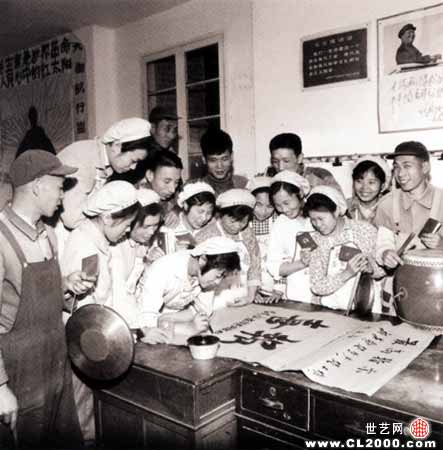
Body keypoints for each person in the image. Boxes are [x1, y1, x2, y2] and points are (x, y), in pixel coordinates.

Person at [0, 150, 95, 448]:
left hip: (55, 364)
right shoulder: (1, 239)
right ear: (37, 185)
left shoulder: (49, 235)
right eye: (59, 187)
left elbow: (35, 296)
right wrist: (0, 388)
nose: (62, 197)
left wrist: (66, 286)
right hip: (19, 371)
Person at [61, 180, 140, 443]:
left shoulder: (97, 240)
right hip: (83, 342)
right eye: (126, 224)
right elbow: (83, 310)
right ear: (107, 218)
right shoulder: (86, 246)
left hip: (93, 338)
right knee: (84, 416)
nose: (128, 230)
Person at [374, 142, 443, 312]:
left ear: (425, 167)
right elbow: (383, 241)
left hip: (438, 293)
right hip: (400, 292)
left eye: (407, 166)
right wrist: (385, 253)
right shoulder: (387, 203)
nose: (400, 173)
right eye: (396, 167)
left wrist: (441, 244)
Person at [137, 236, 241, 344]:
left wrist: (170, 317)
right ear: (202, 259)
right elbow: (147, 321)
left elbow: (203, 310)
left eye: (222, 277)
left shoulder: (207, 275)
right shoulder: (162, 270)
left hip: (171, 317)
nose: (218, 282)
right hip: (140, 320)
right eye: (218, 276)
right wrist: (188, 327)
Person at [57, 117, 150, 229]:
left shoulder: (107, 163)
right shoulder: (82, 159)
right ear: (117, 146)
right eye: (133, 161)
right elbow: (72, 219)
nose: (133, 167)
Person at [304, 186, 384, 311]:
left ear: (336, 211)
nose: (318, 225)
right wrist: (346, 273)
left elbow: (382, 270)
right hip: (329, 309)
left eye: (321, 219)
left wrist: (371, 268)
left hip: (366, 307)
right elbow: (316, 286)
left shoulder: (364, 230)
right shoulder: (316, 240)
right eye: (313, 220)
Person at [195, 188, 260, 307]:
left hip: (243, 295)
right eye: (232, 221)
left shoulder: (247, 233)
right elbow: (197, 273)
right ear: (221, 215)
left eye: (243, 222)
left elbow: (255, 265)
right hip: (213, 299)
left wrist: (250, 296)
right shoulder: (206, 235)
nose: (237, 226)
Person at [111, 188, 165, 318]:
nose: (152, 232)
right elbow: (119, 295)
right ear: (130, 222)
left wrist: (149, 264)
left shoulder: (144, 242)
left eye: (155, 225)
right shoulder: (116, 248)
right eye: (146, 226)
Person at [266, 170, 313, 301]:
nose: (284, 210)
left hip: (328, 294)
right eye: (278, 205)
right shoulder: (281, 224)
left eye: (287, 203)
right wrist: (302, 263)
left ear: (300, 194)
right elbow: (275, 266)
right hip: (297, 293)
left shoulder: (317, 217)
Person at [113, 106, 180, 184]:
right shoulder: (139, 153)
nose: (171, 136)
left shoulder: (168, 155)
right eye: (166, 129)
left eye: (174, 130)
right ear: (153, 128)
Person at [268, 132, 342, 192]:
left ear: (299, 158)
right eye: (275, 161)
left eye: (286, 161)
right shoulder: (268, 178)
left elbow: (339, 204)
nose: (281, 167)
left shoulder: (320, 177)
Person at [164, 181, 216, 250]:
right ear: (186, 206)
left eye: (209, 213)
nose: (204, 218)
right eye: (200, 212)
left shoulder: (211, 227)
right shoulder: (170, 228)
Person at [247, 175, 278, 291]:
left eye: (270, 206)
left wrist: (279, 287)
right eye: (258, 205)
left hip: (275, 283)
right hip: (249, 283)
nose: (263, 211)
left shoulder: (279, 221)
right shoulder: (244, 222)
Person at [138, 149, 183, 227]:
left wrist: (177, 209)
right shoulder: (132, 200)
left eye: (176, 182)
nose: (172, 190)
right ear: (150, 175)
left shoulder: (170, 194)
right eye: (167, 181)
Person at [196, 127, 247, 196]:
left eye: (224, 159)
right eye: (213, 160)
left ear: (231, 157)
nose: (219, 166)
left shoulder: (244, 185)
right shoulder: (196, 190)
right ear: (204, 160)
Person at [347, 155, 391, 225]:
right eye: (359, 181)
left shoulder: (390, 208)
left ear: (382, 186)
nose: (364, 187)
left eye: (371, 182)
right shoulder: (345, 208)